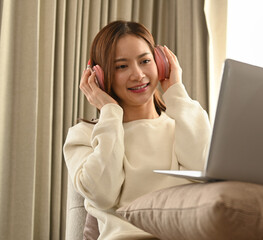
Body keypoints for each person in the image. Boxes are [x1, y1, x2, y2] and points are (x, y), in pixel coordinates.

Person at [63, 20, 211, 239]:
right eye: (121, 66)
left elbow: (205, 169)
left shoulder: (183, 122)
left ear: (161, 63)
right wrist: (110, 112)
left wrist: (177, 93)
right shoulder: (83, 135)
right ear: (100, 77)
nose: (138, 74)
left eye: (145, 61)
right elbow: (102, 194)